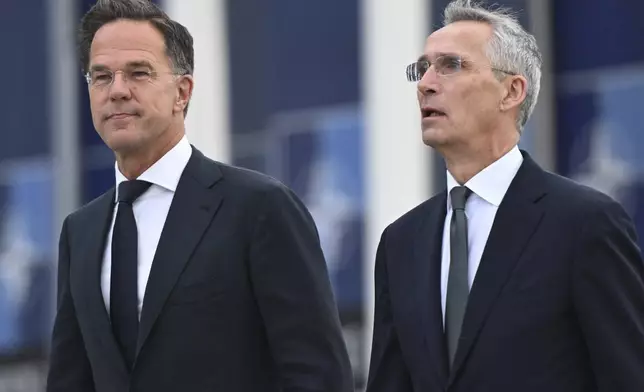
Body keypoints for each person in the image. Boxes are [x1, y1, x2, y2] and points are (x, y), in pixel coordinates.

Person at [45, 1, 353, 391]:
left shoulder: (259, 207)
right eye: (101, 77)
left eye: (138, 73)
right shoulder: (81, 232)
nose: (117, 90)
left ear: (182, 91)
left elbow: (317, 375)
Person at [366, 1, 644, 391]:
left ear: (511, 91)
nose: (426, 83)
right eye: (423, 68)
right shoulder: (400, 242)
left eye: (451, 65)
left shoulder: (584, 224)